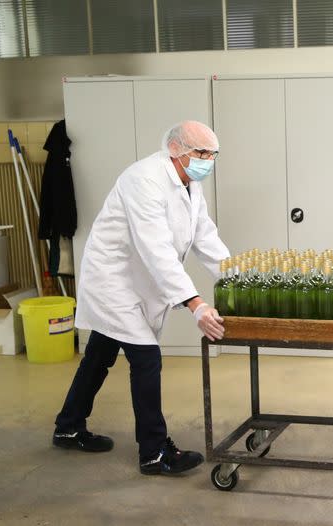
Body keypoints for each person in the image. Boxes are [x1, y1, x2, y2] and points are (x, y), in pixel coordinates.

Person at [53, 120, 229, 476]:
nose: (207, 160)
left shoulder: (189, 183)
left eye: (213, 154)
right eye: (201, 153)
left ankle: (68, 425)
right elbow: (156, 249)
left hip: (138, 282)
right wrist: (195, 304)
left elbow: (205, 237)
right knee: (146, 360)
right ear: (176, 150)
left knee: (99, 355)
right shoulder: (144, 179)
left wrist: (241, 279)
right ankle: (154, 451)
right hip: (114, 282)